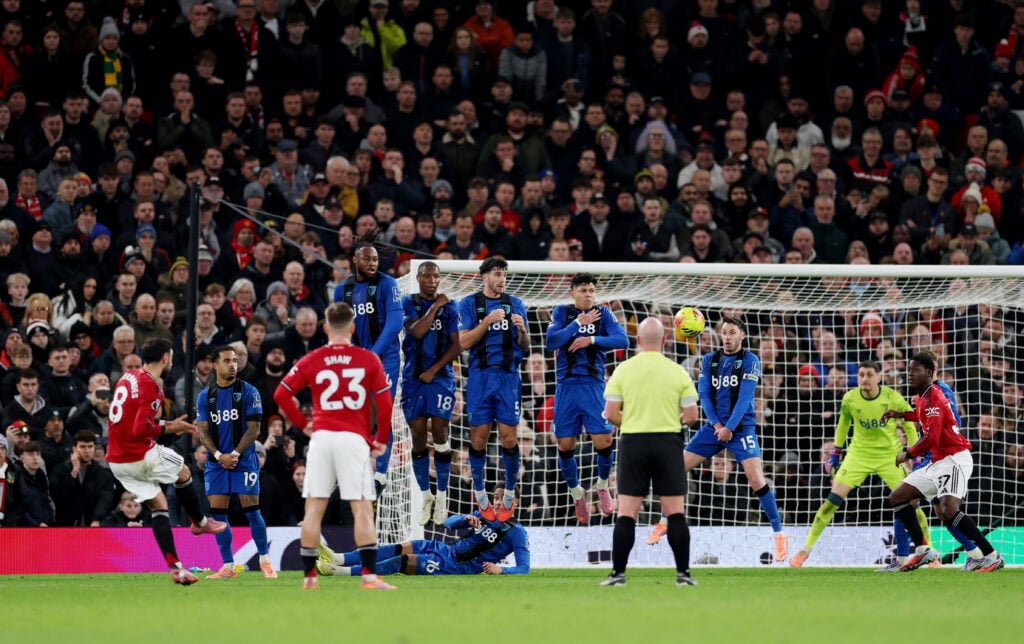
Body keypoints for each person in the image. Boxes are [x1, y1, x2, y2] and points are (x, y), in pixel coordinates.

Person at [273, 302, 395, 590]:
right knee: (362, 508)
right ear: (352, 328)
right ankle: (369, 577)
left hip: (322, 438)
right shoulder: (368, 359)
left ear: (325, 328)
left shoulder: (312, 358)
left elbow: (281, 393)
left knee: (314, 509)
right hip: (354, 440)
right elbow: (385, 402)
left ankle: (309, 578)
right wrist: (381, 440)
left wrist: (302, 423)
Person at [648, 318, 788, 562]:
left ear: (742, 335)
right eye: (724, 332)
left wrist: (730, 427)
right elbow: (704, 394)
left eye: (732, 332)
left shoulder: (750, 361)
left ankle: (779, 535)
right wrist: (718, 426)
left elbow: (745, 398)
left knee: (756, 479)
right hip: (714, 429)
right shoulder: (709, 361)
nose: (727, 336)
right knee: (676, 468)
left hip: (741, 429)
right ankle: (664, 520)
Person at [106, 338, 226, 586]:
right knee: (182, 469)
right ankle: (200, 522)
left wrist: (168, 425)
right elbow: (141, 429)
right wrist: (171, 426)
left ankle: (177, 569)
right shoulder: (151, 385)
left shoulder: (128, 377)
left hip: (117, 460)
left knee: (159, 505)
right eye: (170, 356)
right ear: (165, 358)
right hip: (139, 455)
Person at [789, 361, 930, 569]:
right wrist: (836, 452)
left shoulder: (893, 398)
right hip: (858, 455)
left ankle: (930, 551)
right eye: (861, 374)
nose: (864, 378)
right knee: (831, 501)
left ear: (878, 378)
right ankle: (806, 549)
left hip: (888, 456)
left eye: (869, 375)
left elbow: (909, 424)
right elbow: (843, 423)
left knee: (912, 503)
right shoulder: (850, 398)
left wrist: (914, 454)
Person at [881, 353, 1004, 572]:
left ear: (929, 372)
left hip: (954, 458)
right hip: (937, 461)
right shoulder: (924, 396)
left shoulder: (937, 395)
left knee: (949, 510)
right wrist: (898, 413)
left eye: (915, 369)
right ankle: (922, 550)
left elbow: (932, 437)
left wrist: (907, 454)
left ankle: (991, 556)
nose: (910, 373)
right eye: (909, 369)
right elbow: (922, 415)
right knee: (897, 497)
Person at [600, 317, 699, 587]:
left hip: (634, 442)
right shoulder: (678, 371)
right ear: (665, 341)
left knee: (627, 512)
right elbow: (692, 416)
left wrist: (630, 422)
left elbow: (610, 414)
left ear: (639, 340)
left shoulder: (623, 370)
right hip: (668, 443)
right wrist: (671, 421)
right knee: (675, 511)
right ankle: (683, 575)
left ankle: (618, 575)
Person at [544, 272, 628, 524]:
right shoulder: (561, 312)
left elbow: (622, 339)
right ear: (573, 292)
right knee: (565, 445)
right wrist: (577, 325)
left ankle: (602, 486)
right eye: (583, 290)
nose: (588, 294)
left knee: (603, 440)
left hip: (593, 387)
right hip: (566, 388)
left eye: (592, 290)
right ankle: (576, 492)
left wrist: (591, 339)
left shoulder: (605, 314)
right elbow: (551, 342)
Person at [458, 257, 530, 522]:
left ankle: (509, 491)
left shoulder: (516, 304)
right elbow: (463, 342)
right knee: (478, 440)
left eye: (504, 275)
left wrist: (522, 331)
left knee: (509, 439)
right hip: (479, 379)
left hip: (508, 379)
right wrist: (487, 321)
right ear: (484, 277)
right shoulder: (469, 304)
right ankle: (479, 492)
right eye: (497, 274)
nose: (502, 280)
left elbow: (526, 346)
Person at [196, 345, 276, 579]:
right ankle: (228, 566)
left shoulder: (249, 391)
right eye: (227, 360)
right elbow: (202, 431)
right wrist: (220, 455)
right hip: (216, 462)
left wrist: (235, 454)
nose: (233, 364)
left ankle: (265, 561)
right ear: (215, 365)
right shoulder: (205, 396)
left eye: (235, 360)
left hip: (243, 461)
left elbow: (255, 429)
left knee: (252, 510)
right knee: (218, 516)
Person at [333, 230, 402, 493]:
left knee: (380, 411)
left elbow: (395, 323)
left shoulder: (388, 285)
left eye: (375, 259)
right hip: (355, 363)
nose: (373, 263)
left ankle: (381, 473)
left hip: (385, 359)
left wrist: (372, 354)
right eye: (367, 259)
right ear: (355, 260)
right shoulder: (342, 290)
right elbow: (339, 329)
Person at [401, 261, 462, 526]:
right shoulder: (408, 302)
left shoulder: (452, 307)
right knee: (417, 436)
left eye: (436, 276)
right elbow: (416, 332)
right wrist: (436, 306)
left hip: (441, 379)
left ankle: (443, 495)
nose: (432, 280)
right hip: (414, 379)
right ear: (418, 278)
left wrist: (435, 370)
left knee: (439, 432)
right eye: (427, 276)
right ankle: (426, 496)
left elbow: (457, 345)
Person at [315, 511, 530, 577]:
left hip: (458, 566)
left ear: (515, 502)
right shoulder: (487, 513)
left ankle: (337, 572)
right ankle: (338, 558)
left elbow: (524, 569)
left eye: (503, 498)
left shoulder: (517, 533)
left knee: (403, 561)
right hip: (445, 549)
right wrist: (464, 519)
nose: (497, 502)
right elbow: (447, 523)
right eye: (496, 496)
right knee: (399, 547)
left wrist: (501, 570)